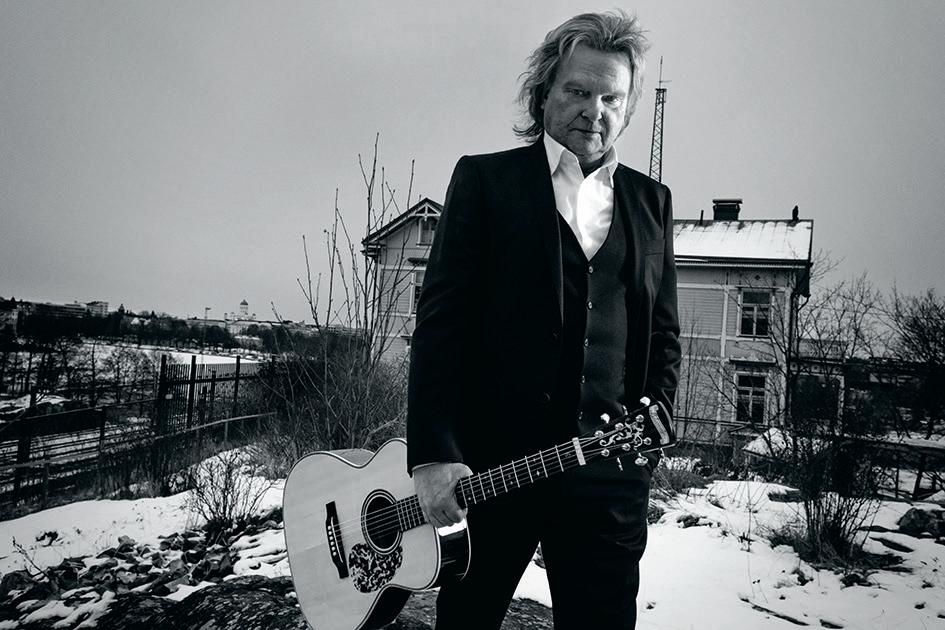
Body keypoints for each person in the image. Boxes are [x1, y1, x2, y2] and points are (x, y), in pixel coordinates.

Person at [406, 10, 680, 630]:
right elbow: (441, 326)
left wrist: (650, 433)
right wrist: (434, 455)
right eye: (578, 91)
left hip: (609, 478)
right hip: (493, 473)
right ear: (544, 92)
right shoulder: (484, 180)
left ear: (628, 108)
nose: (594, 111)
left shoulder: (652, 202)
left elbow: (663, 333)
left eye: (611, 98)